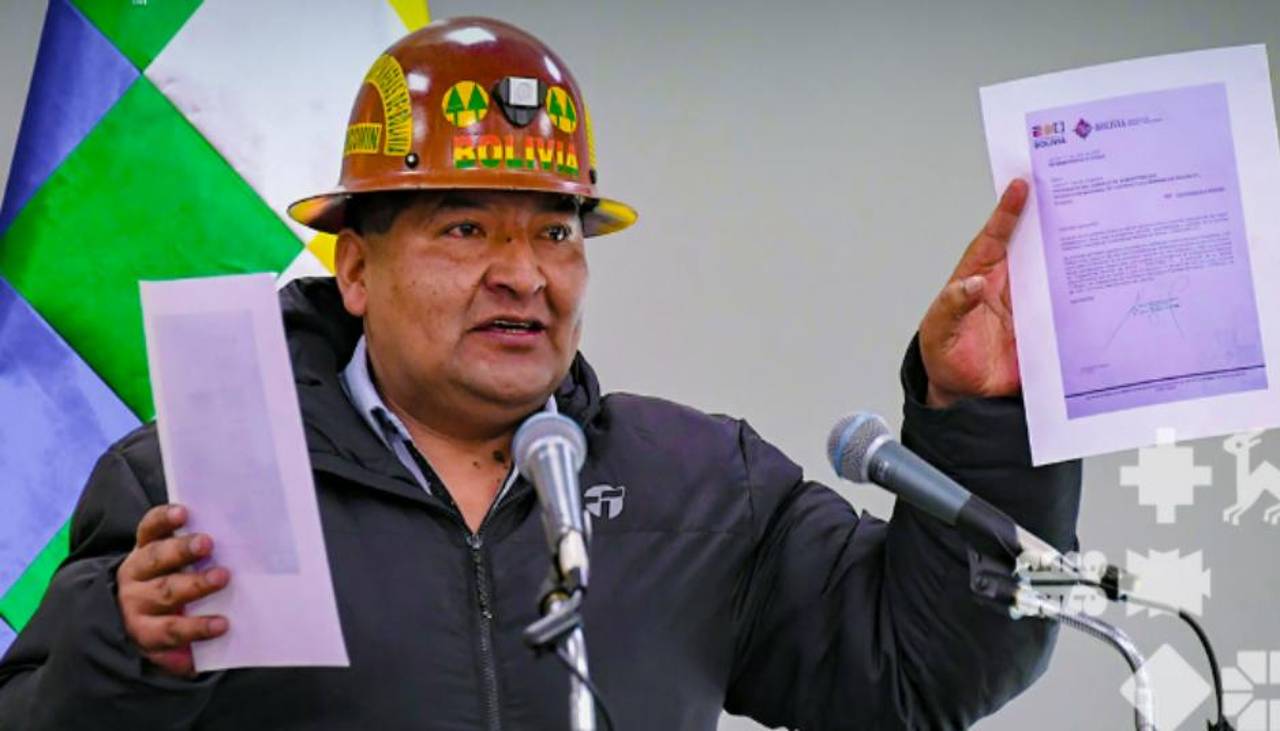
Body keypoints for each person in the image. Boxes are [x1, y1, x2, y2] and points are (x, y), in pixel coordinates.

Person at [0, 16, 1081, 731]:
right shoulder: (197, 482)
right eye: (465, 228)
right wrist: (125, 647)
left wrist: (981, 418)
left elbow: (921, 671)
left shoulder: (703, 484)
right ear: (357, 269)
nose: (522, 273)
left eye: (555, 232)